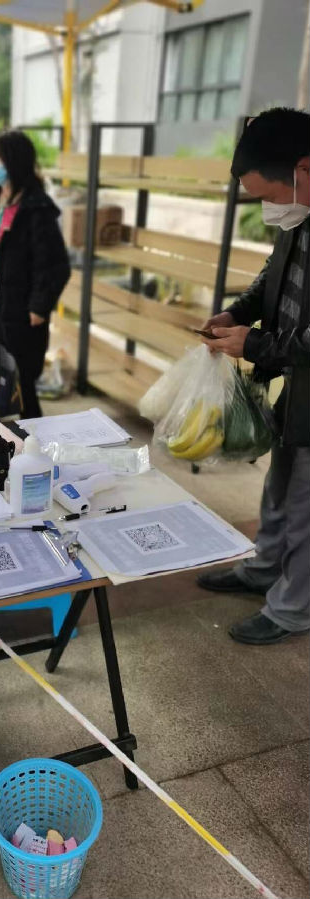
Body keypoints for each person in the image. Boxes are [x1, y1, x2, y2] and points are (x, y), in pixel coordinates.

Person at [196, 107, 309, 646]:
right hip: (298, 380)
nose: (268, 210)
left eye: (270, 195)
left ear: (304, 169)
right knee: (281, 482)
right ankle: (265, 568)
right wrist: (238, 313)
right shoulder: (300, 211)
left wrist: (257, 344)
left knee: (306, 503)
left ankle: (293, 608)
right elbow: (273, 273)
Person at [0, 129, 70, 418]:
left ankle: (34, 438)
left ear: (15, 160)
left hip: (21, 311)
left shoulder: (36, 207)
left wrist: (39, 306)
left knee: (23, 386)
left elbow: (54, 265)